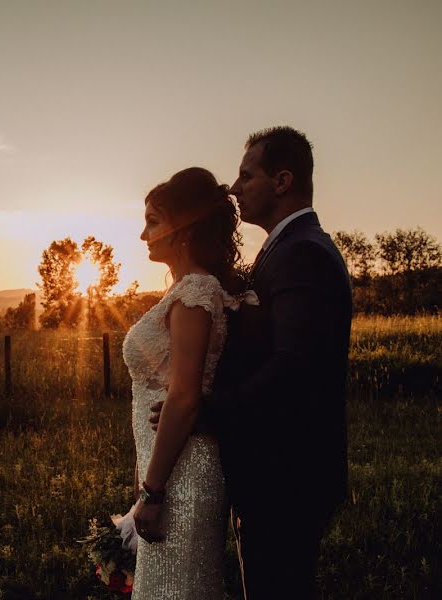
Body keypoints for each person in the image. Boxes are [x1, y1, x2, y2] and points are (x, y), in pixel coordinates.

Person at [151, 127, 352, 599]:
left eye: (247, 176)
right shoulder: (286, 249)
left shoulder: (303, 253)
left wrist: (208, 409)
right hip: (274, 467)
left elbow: (294, 367)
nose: (235, 188)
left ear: (282, 181)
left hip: (288, 473)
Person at [122, 166, 245, 599]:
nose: (143, 235)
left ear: (184, 228)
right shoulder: (187, 290)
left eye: (153, 222)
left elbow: (185, 395)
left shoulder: (196, 293)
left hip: (184, 474)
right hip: (168, 468)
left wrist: (154, 493)